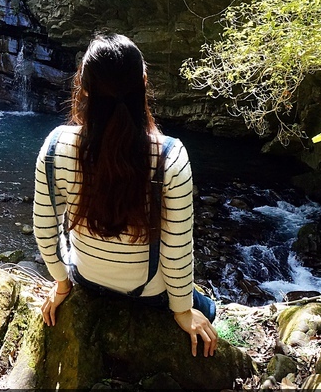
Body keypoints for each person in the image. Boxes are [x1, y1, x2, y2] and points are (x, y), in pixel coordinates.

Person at [33, 33, 218, 357]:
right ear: (144, 84)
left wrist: (62, 282)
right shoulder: (170, 156)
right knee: (209, 308)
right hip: (150, 292)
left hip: (86, 278)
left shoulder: (55, 147)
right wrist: (182, 310)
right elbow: (176, 249)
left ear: (84, 87)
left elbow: (44, 229)